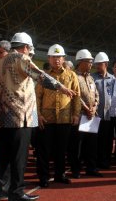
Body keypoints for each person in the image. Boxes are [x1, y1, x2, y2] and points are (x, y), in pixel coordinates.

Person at [0, 32, 75, 201]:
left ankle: (2, 190)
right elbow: (41, 77)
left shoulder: (0, 62)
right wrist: (62, 88)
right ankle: (16, 192)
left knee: (3, 157)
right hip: (20, 116)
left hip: (3, 117)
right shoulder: (21, 59)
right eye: (29, 48)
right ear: (25, 47)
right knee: (18, 157)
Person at [35, 44, 81, 187]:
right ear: (48, 58)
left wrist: (76, 114)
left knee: (61, 149)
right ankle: (43, 177)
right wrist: (38, 114)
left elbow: (77, 96)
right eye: (53, 57)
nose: (56, 60)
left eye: (59, 57)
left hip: (64, 119)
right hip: (46, 119)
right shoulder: (43, 76)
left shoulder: (71, 75)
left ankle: (59, 175)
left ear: (63, 58)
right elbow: (37, 97)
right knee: (44, 150)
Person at [73, 49, 102, 177]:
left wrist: (94, 107)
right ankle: (76, 170)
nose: (91, 64)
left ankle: (91, 168)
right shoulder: (74, 76)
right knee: (78, 145)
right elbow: (75, 95)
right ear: (80, 62)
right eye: (89, 62)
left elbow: (96, 94)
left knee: (92, 144)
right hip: (80, 116)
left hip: (91, 116)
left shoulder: (90, 78)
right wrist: (86, 108)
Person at [0, 40, 11, 199]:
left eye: (0, 52)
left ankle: (3, 188)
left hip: (10, 116)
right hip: (2, 116)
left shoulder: (10, 68)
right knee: (2, 154)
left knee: (5, 154)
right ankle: (2, 189)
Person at [91, 52, 114, 169]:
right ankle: (96, 162)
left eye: (99, 64)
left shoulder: (113, 79)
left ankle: (106, 161)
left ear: (105, 64)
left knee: (107, 140)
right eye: (96, 64)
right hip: (96, 115)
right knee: (96, 141)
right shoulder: (92, 78)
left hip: (108, 115)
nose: (97, 66)